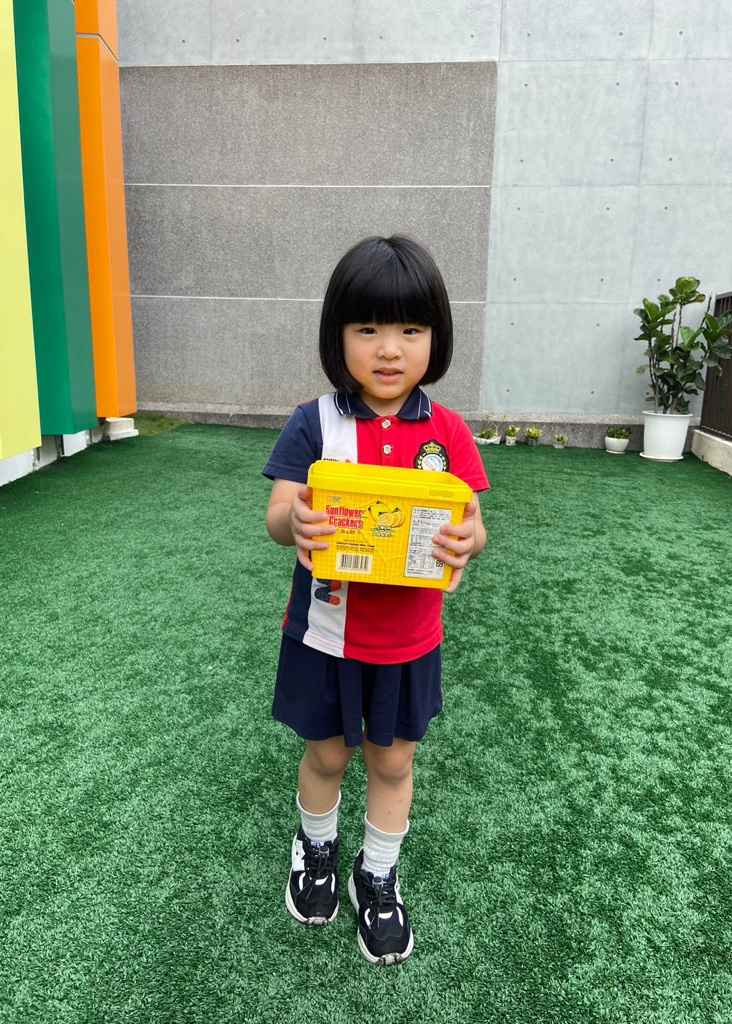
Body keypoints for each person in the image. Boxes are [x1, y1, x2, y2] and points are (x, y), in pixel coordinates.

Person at [263, 235, 490, 966]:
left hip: (408, 641)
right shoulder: (315, 422)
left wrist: (469, 541)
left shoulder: (447, 431)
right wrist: (295, 521)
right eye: (367, 328)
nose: (389, 349)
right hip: (324, 633)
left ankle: (379, 874)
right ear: (337, 336)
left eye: (410, 329)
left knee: (392, 763)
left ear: (436, 338)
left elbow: (473, 523)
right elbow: (278, 515)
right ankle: (316, 849)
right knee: (326, 754)